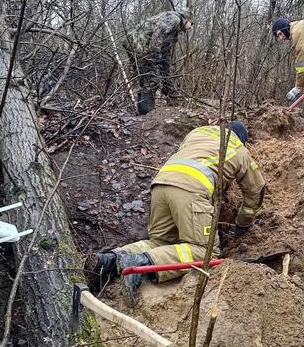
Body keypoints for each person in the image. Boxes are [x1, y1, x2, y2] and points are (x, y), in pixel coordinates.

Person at [84, 121, 266, 304]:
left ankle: (108, 259)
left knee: (160, 242)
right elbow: (255, 189)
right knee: (204, 251)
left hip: (162, 184)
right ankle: (140, 262)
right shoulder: (239, 150)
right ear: (242, 140)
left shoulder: (198, 132)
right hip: (192, 188)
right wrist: (243, 223)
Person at [123, 8, 193, 115]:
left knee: (146, 77)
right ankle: (147, 115)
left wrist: (167, 84)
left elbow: (165, 57)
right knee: (152, 79)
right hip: (139, 45)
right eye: (191, 23)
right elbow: (157, 37)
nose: (191, 27)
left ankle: (142, 113)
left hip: (134, 43)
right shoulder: (174, 19)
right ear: (186, 19)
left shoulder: (174, 29)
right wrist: (154, 58)